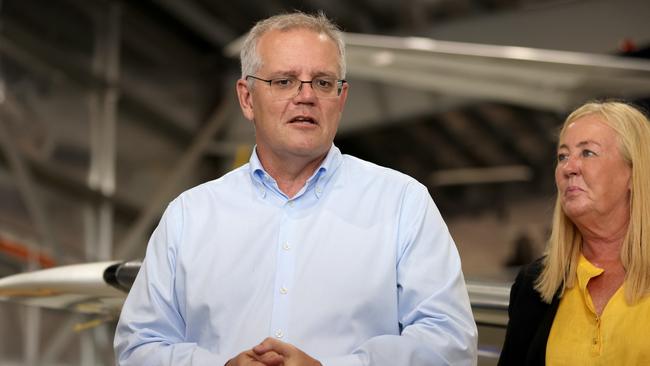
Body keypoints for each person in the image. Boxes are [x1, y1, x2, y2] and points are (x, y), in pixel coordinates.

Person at [114, 11, 477, 366]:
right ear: (246, 98)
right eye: (284, 81)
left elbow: (450, 345)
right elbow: (139, 346)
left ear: (342, 99)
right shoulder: (189, 216)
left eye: (322, 82)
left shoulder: (402, 204)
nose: (306, 96)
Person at [498, 100, 650, 365]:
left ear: (633, 170)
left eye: (588, 153)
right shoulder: (535, 285)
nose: (569, 168)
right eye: (563, 156)